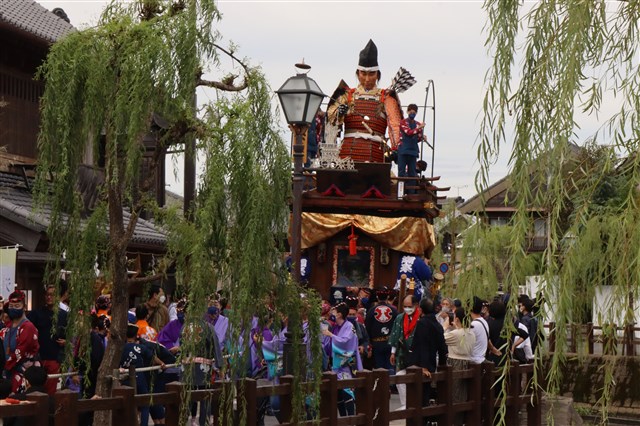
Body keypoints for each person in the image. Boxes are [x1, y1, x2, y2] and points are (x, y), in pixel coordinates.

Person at [327, 39, 403, 163]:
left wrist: (396, 148)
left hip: (376, 154)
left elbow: (396, 126)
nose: (367, 79)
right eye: (363, 73)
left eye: (371, 74)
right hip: (347, 155)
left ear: (377, 75)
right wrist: (339, 113)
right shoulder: (347, 95)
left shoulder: (386, 97)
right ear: (358, 74)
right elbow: (330, 118)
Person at [27, 280, 69, 395]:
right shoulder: (36, 313)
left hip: (55, 357)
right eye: (47, 295)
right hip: (38, 357)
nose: (49, 297)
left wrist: (67, 342)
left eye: (52, 295)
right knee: (36, 389)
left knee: (51, 390)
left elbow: (71, 335)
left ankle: (49, 411)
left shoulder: (65, 315)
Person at [322, 302, 362, 417]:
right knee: (338, 393)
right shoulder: (336, 326)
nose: (331, 313)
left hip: (347, 363)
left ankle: (351, 419)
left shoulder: (349, 326)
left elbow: (345, 343)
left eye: (333, 312)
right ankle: (344, 418)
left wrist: (331, 336)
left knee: (347, 391)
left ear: (339, 314)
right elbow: (329, 344)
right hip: (337, 364)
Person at [408, 298, 447, 409]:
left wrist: (424, 367)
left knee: (417, 397)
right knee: (425, 393)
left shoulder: (422, 323)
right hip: (431, 362)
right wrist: (443, 364)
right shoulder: (438, 325)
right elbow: (442, 348)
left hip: (419, 364)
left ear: (420, 310)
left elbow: (423, 345)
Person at [1, 290, 40, 393]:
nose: (13, 308)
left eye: (17, 305)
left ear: (24, 306)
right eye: (11, 305)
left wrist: (4, 366)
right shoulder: (7, 327)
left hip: (23, 374)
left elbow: (20, 352)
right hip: (7, 373)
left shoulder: (28, 327)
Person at [443, 307, 476, 425]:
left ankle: (454, 422)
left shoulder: (456, 333)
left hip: (455, 363)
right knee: (463, 395)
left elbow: (440, 338)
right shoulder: (471, 332)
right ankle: (460, 421)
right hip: (467, 362)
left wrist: (446, 326)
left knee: (454, 395)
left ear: (456, 319)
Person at [388, 295, 421, 410]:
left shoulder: (421, 319)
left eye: (409, 306)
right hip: (402, 352)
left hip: (417, 353)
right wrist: (393, 352)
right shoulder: (400, 318)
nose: (407, 308)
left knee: (414, 380)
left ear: (416, 305)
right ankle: (404, 403)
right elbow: (395, 334)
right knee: (399, 377)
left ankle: (414, 403)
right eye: (405, 306)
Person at [365, 287, 397, 373]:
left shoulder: (371, 311)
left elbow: (367, 328)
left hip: (376, 344)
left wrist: (369, 344)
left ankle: (380, 386)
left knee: (379, 370)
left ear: (377, 297)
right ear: (388, 297)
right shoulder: (394, 310)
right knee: (390, 368)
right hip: (390, 344)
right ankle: (391, 385)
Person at [397, 103, 425, 192]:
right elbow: (408, 132)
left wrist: (422, 137)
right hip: (403, 150)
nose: (412, 113)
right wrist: (419, 128)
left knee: (412, 173)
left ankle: (411, 193)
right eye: (411, 111)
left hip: (413, 151)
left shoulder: (418, 124)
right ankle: (400, 193)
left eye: (414, 112)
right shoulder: (403, 122)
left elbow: (417, 138)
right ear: (407, 111)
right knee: (401, 172)